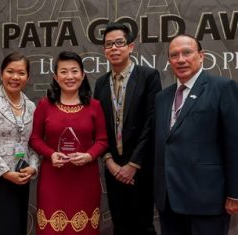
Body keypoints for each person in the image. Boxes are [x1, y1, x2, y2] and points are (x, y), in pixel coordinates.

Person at [154, 34, 238, 235]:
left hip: (207, 200)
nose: (181, 59)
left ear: (201, 56)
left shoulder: (222, 88)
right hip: (169, 201)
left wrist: (234, 194)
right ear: (169, 62)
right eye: (174, 55)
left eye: (187, 53)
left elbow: (235, 143)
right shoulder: (162, 97)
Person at [94, 22, 162, 235]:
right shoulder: (101, 83)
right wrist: (109, 162)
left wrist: (133, 164)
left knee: (143, 226)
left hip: (139, 168)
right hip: (112, 168)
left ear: (130, 46)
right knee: (120, 224)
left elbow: (152, 122)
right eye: (108, 45)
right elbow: (98, 126)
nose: (113, 48)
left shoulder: (148, 76)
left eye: (119, 43)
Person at [29, 51, 108, 234]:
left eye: (74, 71)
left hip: (85, 178)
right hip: (53, 178)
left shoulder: (94, 106)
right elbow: (34, 138)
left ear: (83, 75)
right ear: (56, 77)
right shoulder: (44, 105)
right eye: (63, 72)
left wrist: (89, 155)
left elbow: (103, 140)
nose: (69, 76)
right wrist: (51, 154)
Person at [0, 52, 39, 235]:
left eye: (21, 73)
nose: (15, 77)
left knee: (16, 227)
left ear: (28, 77)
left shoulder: (31, 106)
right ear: (1, 73)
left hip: (21, 176)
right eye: (10, 71)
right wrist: (5, 173)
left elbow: (31, 143)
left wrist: (33, 167)